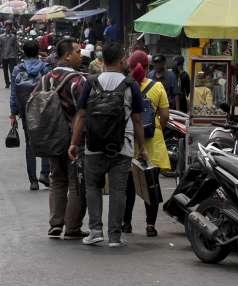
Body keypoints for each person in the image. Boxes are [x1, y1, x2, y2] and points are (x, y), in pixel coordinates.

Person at [69, 42, 149, 247]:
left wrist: (74, 143)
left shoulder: (91, 82)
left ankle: (95, 230)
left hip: (93, 145)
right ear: (122, 60)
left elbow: (81, 115)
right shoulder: (131, 85)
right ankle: (114, 235)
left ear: (102, 60)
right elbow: (138, 120)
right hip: (122, 145)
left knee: (93, 187)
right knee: (118, 190)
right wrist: (143, 148)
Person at [41, 39, 88, 239]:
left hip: (52, 138)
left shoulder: (45, 78)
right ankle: (72, 227)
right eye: (78, 51)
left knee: (56, 180)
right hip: (72, 139)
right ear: (68, 55)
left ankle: (55, 224)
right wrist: (76, 142)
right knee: (76, 182)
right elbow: (83, 113)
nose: (81, 54)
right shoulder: (78, 80)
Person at [123, 50, 171, 237]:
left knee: (128, 187)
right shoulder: (158, 87)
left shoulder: (125, 86)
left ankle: (126, 224)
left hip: (131, 140)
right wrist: (157, 126)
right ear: (148, 66)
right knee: (152, 185)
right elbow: (165, 116)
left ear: (129, 66)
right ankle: (150, 225)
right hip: (153, 141)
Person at [9, 40, 50, 191]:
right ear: (38, 51)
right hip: (42, 109)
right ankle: (45, 174)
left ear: (23, 52)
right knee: (45, 140)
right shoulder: (45, 68)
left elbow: (14, 93)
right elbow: (49, 90)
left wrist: (13, 113)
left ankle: (33, 181)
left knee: (30, 143)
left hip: (25, 109)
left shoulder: (17, 69)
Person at [0, 21, 19, 88]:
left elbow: (16, 47)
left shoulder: (13, 37)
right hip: (4, 56)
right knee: (5, 71)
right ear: (5, 27)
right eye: (7, 26)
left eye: (9, 26)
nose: (8, 28)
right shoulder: (1, 37)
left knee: (12, 71)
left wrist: (16, 55)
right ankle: (7, 83)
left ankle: (13, 82)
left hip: (12, 56)